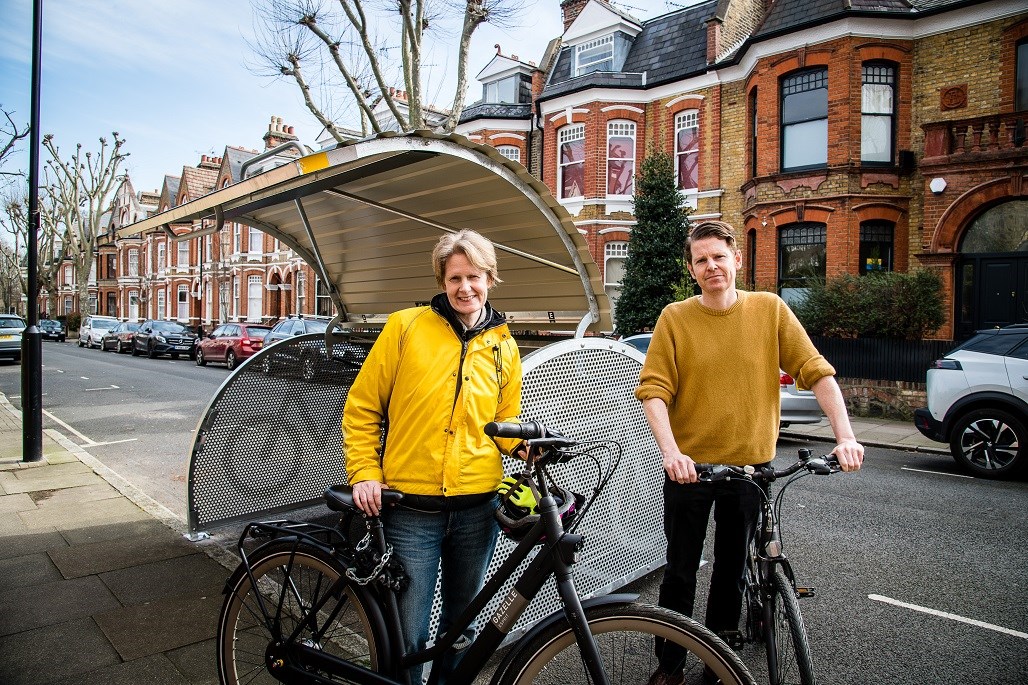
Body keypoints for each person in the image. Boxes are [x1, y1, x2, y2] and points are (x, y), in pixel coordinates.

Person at [635, 220, 864, 685]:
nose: (711, 266)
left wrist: (846, 436)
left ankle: (718, 664)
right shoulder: (675, 318)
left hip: (748, 471)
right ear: (692, 270)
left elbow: (815, 371)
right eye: (701, 260)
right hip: (690, 472)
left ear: (737, 259)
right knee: (679, 574)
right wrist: (670, 453)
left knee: (730, 571)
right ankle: (671, 663)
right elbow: (654, 390)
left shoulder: (769, 310)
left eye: (719, 256)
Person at [343, 229, 526, 684]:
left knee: (462, 629)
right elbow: (363, 406)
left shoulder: (504, 345)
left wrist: (525, 445)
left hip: (477, 509)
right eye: (455, 278)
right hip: (412, 510)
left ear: (490, 278)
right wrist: (365, 472)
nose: (465, 288)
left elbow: (503, 424)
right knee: (407, 635)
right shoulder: (406, 327)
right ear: (442, 282)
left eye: (475, 277)